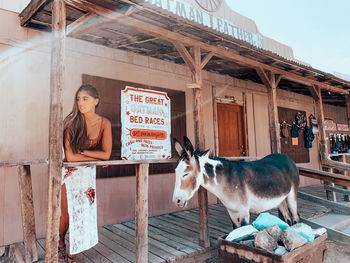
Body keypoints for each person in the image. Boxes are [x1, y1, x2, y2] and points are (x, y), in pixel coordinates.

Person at [58, 85, 112, 263]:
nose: (81, 102)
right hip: (69, 172)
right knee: (67, 214)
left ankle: (72, 255)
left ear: (96, 101)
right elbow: (71, 157)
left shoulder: (105, 123)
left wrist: (85, 155)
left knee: (82, 212)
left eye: (85, 98)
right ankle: (59, 243)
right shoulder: (71, 122)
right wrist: (94, 158)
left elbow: (106, 154)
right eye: (78, 99)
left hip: (87, 172)